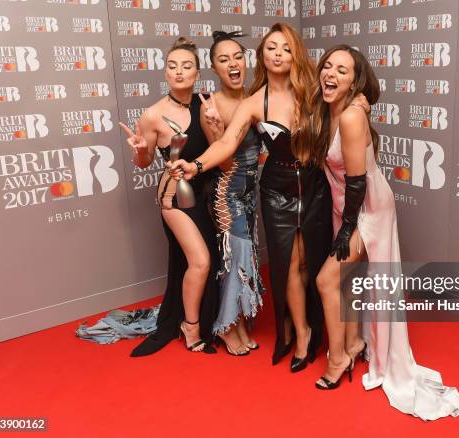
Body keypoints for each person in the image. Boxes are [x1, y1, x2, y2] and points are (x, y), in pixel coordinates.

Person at [169, 23, 334, 371]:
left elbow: (346, 97)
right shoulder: (253, 102)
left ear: (295, 54)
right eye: (271, 47)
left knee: (309, 263)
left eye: (285, 48)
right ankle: (301, 334)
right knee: (288, 264)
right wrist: (195, 166)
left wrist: (361, 102)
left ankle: (302, 323)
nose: (278, 54)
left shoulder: (312, 91)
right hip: (277, 191)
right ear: (261, 55)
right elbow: (227, 145)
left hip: (316, 188)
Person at [310, 45, 459, 420]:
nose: (330, 74)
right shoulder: (333, 108)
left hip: (366, 208)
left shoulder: (349, 116)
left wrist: (348, 229)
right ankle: (356, 341)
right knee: (343, 280)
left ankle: (339, 357)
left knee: (327, 280)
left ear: (354, 81)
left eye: (342, 71)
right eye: (327, 66)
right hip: (345, 203)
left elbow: (358, 180)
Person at [119, 37, 220, 356]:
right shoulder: (152, 115)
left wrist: (216, 124)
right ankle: (190, 329)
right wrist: (138, 151)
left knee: (207, 262)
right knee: (200, 262)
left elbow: (219, 149)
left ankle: (208, 320)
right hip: (175, 198)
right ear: (165, 73)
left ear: (197, 72)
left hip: (206, 193)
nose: (179, 72)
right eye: (172, 66)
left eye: (186, 66)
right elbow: (145, 161)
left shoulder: (207, 102)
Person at [199, 30, 265, 356]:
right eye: (224, 60)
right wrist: (216, 127)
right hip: (227, 195)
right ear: (215, 68)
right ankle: (225, 327)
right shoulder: (212, 106)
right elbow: (223, 162)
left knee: (245, 258)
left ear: (246, 60)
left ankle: (238, 321)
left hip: (252, 194)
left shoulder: (254, 99)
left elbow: (264, 150)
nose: (233, 64)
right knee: (233, 256)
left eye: (237, 57)